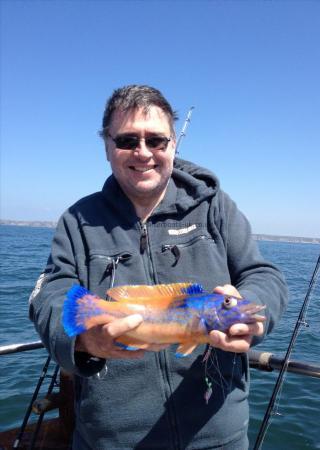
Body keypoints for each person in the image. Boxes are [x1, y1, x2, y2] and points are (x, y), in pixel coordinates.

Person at [29, 85, 288, 450]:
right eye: (127, 140)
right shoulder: (77, 221)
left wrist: (248, 307)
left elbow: (265, 276)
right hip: (110, 440)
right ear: (106, 146)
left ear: (173, 145)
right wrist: (83, 341)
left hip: (217, 436)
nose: (143, 152)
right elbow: (50, 297)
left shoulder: (215, 207)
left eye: (156, 140)